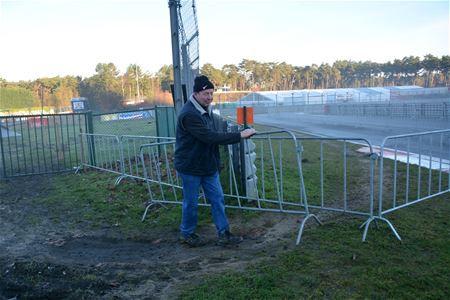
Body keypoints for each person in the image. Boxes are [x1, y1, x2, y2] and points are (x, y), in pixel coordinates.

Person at [174, 75, 256, 247]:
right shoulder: (189, 114)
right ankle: (187, 233)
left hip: (208, 165)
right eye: (206, 93)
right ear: (196, 93)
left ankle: (224, 233)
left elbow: (214, 133)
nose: (209, 97)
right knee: (191, 202)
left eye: (211, 93)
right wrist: (240, 135)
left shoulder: (206, 109)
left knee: (217, 199)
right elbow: (210, 137)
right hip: (190, 167)